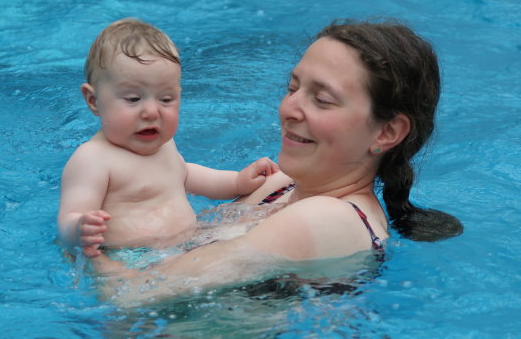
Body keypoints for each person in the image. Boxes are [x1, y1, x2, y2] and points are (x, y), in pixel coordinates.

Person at [92, 19, 463, 303]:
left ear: (386, 132)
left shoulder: (327, 217)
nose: (289, 109)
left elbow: (132, 295)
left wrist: (83, 244)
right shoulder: (279, 184)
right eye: (292, 88)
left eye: (322, 99)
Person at [57, 18, 278, 258]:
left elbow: (187, 174)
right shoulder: (92, 159)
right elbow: (69, 217)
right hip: (132, 259)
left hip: (187, 245)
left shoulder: (165, 146)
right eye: (133, 99)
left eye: (166, 99)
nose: (152, 112)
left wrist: (237, 182)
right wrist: (79, 229)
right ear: (93, 100)